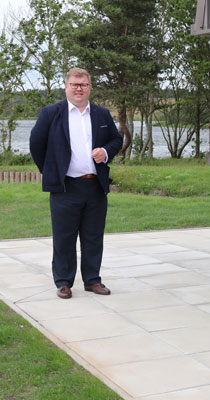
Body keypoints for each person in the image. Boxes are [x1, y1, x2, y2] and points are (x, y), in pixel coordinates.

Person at [30, 67, 123, 299]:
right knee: (64, 237)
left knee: (93, 236)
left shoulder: (101, 114)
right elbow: (36, 144)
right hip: (65, 187)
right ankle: (63, 282)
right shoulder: (51, 113)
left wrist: (105, 152)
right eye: (74, 84)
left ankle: (92, 280)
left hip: (95, 186)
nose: (79, 88)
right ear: (66, 86)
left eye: (83, 84)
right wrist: (52, 171)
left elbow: (116, 140)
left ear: (90, 87)